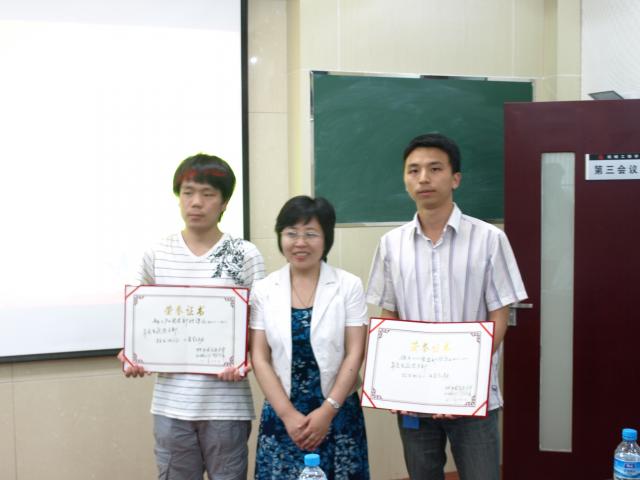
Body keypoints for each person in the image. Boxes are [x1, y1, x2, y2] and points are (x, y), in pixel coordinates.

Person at [366, 133, 527, 480]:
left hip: (472, 394)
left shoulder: (489, 239)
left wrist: (464, 376)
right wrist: (392, 382)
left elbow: (500, 314)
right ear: (405, 179)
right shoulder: (391, 244)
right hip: (413, 395)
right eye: (414, 170)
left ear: (455, 178)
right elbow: (389, 315)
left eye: (435, 168)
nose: (423, 178)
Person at [117, 153, 265, 480]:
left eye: (208, 194)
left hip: (227, 405)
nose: (196, 202)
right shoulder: (157, 254)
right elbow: (140, 319)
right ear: (178, 197)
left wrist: (247, 359)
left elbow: (260, 327)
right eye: (188, 192)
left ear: (224, 202)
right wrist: (132, 354)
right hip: (171, 406)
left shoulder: (245, 254)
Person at [250, 196, 370, 480]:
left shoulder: (348, 285)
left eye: (311, 234)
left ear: (326, 239)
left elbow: (355, 353)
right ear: (280, 236)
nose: (300, 242)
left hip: (337, 412)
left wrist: (328, 411)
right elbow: (259, 356)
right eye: (291, 233)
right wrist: (287, 415)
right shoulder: (264, 289)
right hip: (283, 412)